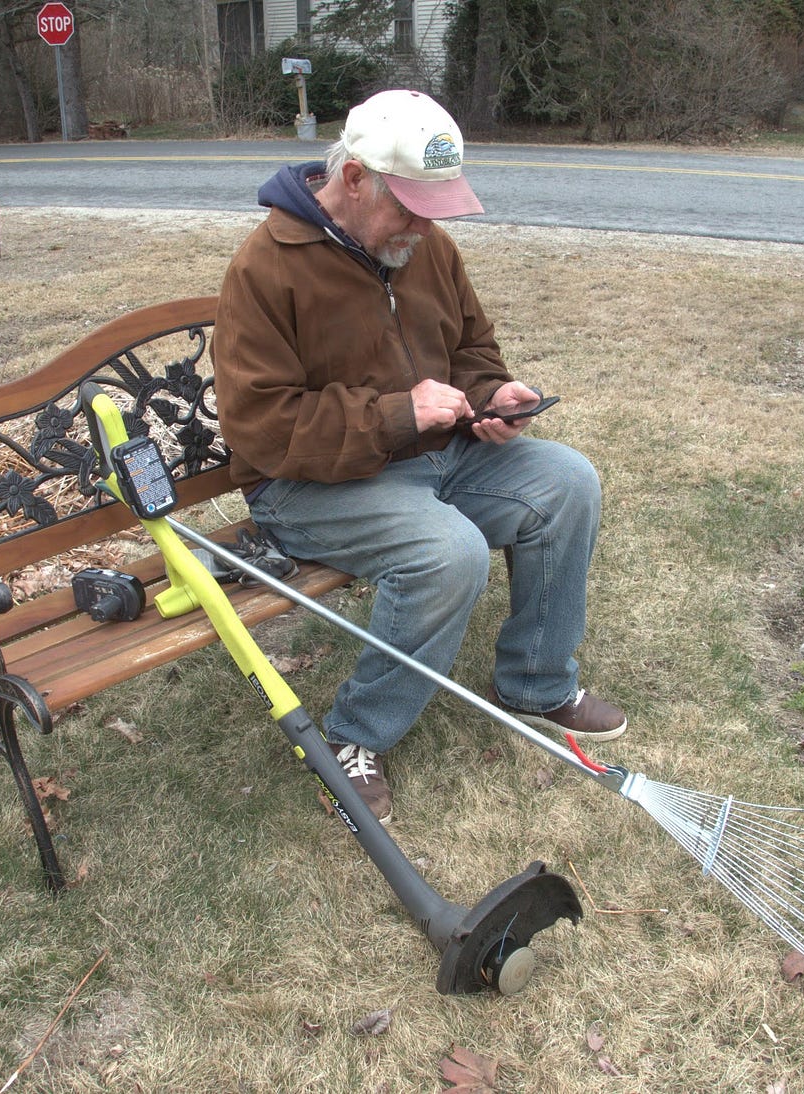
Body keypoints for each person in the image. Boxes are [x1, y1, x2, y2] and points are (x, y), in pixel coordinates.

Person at [211, 88, 624, 824]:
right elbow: (260, 427)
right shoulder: (266, 268)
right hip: (306, 486)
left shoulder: (425, 245)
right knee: (449, 551)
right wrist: (397, 416)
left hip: (433, 460)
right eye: (409, 204)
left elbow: (471, 349)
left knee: (567, 481)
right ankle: (353, 737)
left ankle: (535, 680)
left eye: (436, 205)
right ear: (356, 178)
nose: (425, 223)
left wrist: (494, 396)